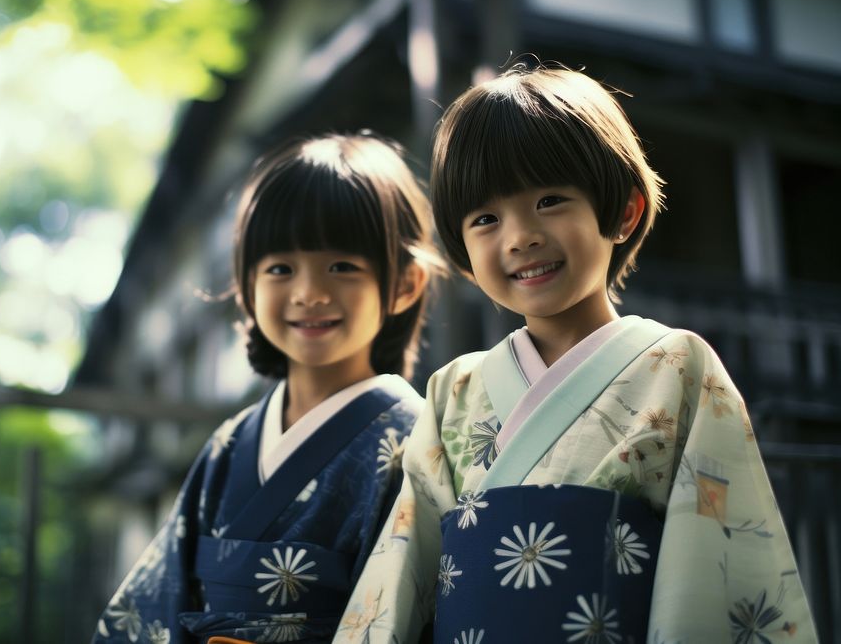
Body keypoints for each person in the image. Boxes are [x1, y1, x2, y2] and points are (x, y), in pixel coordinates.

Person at [335, 64, 817, 643]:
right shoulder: (453, 389)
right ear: (462, 252)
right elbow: (404, 565)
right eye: (485, 219)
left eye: (550, 200)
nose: (519, 237)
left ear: (624, 212)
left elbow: (710, 564)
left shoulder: (679, 367)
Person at [92, 132, 439, 644]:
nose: (309, 293)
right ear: (247, 285)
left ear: (405, 284)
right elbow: (156, 603)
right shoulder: (230, 444)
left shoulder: (412, 442)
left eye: (342, 266)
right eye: (280, 268)